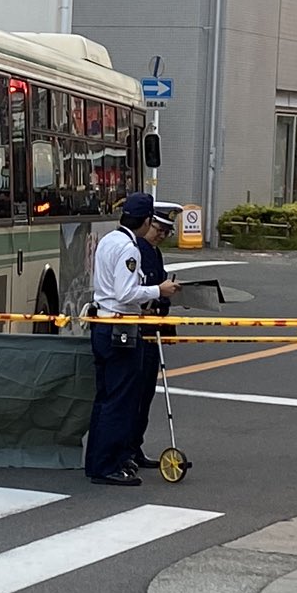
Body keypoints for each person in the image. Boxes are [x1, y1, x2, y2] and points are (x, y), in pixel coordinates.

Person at [85, 191, 178, 487]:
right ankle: (109, 465)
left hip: (101, 323)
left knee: (105, 398)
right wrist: (157, 291)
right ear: (146, 220)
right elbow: (126, 293)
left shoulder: (108, 241)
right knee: (120, 400)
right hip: (120, 327)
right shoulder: (129, 248)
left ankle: (97, 462)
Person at [128, 201, 180, 470]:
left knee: (146, 392)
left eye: (166, 232)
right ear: (147, 223)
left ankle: (135, 446)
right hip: (139, 327)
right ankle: (127, 447)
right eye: (158, 228)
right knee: (135, 392)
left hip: (152, 326)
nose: (161, 235)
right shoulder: (136, 250)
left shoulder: (154, 252)